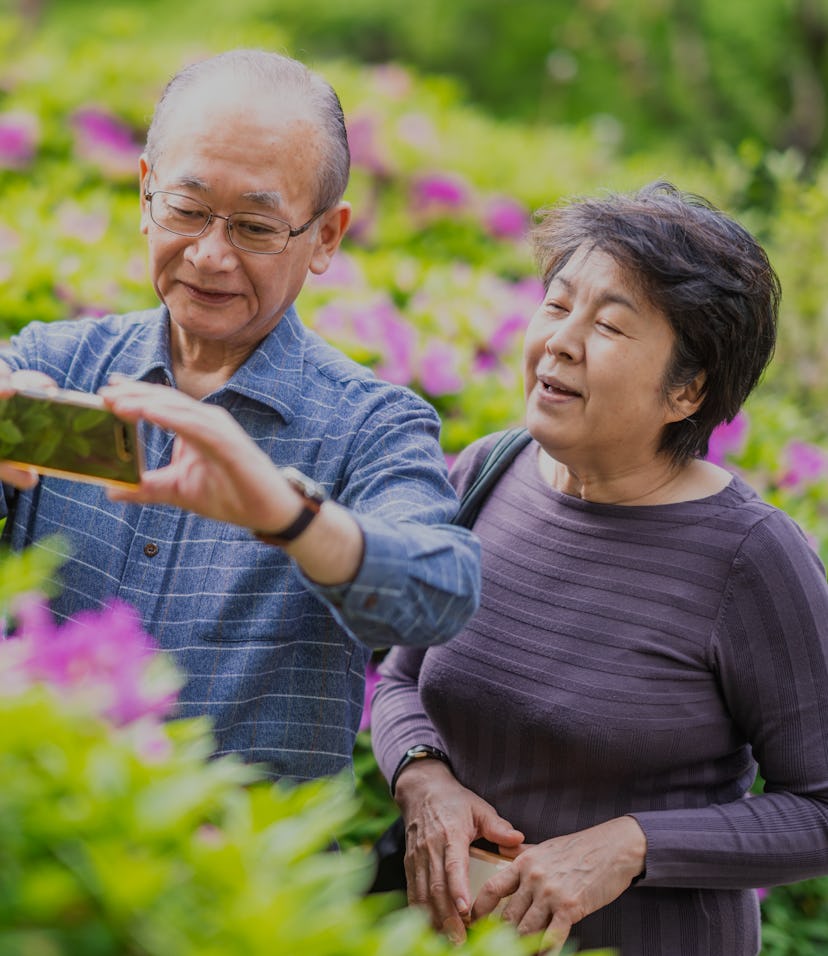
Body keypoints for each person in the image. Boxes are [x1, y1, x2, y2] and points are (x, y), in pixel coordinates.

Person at [369, 181, 828, 956]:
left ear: (687, 390)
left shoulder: (751, 556)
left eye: (610, 325)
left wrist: (629, 846)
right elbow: (401, 678)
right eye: (557, 304)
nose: (561, 341)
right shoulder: (488, 470)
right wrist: (423, 777)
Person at [0, 48, 481, 783]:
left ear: (326, 236)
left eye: (255, 228)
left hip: (234, 872)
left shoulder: (372, 426)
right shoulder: (55, 366)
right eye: (186, 210)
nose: (210, 254)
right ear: (144, 194)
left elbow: (441, 593)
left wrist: (291, 519)